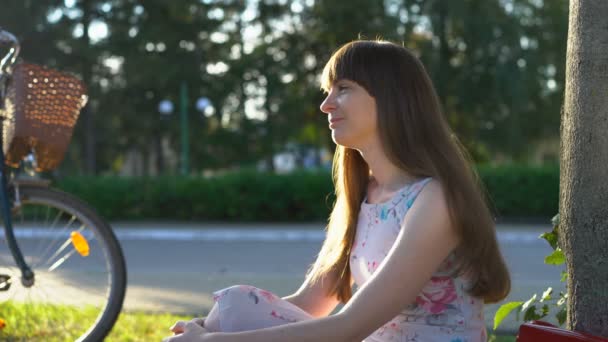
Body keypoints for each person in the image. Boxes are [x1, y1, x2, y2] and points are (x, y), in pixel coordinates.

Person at [164, 39, 511, 342]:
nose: (326, 104)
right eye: (328, 91)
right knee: (236, 306)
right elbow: (306, 307)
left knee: (236, 307)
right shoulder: (366, 196)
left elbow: (348, 329)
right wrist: (214, 329)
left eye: (343, 88)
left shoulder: (435, 200)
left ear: (391, 98)